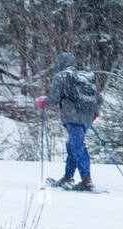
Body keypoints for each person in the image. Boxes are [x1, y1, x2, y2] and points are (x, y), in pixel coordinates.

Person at [38, 52, 102, 191]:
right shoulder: (85, 77)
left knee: (77, 147)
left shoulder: (62, 76)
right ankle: (68, 176)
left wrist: (44, 102)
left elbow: (53, 99)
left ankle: (86, 180)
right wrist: (94, 114)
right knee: (74, 146)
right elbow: (99, 98)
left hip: (72, 117)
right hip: (87, 117)